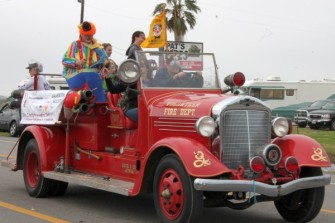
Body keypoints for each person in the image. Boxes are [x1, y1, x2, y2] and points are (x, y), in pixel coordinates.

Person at [62, 21, 108, 102]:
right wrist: (76, 62)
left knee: (100, 102)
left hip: (95, 80)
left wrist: (105, 64)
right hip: (79, 80)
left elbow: (106, 60)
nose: (88, 37)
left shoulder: (98, 47)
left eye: (90, 35)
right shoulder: (75, 44)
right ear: (81, 34)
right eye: (86, 35)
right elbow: (65, 60)